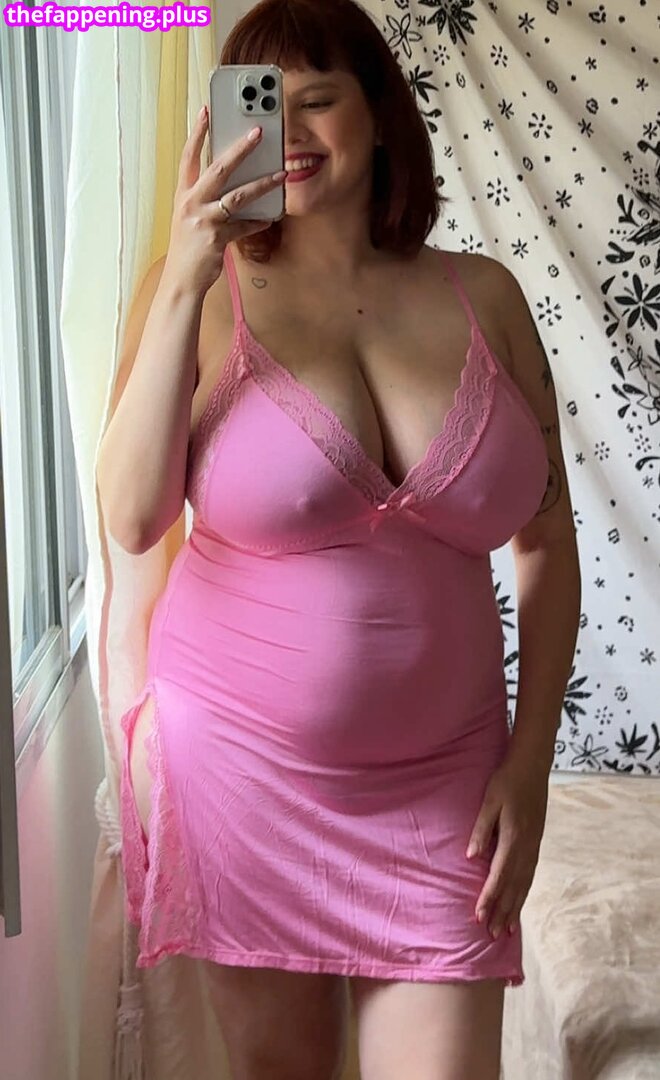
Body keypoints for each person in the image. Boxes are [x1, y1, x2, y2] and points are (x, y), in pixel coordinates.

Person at [96, 0, 581, 1077]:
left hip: (449, 786)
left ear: (381, 115)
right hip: (243, 775)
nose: (292, 131)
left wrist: (531, 764)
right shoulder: (197, 298)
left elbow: (548, 543)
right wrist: (185, 273)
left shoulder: (486, 297)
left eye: (319, 98)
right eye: (264, 106)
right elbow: (131, 518)